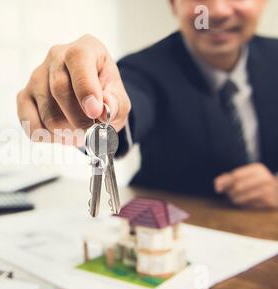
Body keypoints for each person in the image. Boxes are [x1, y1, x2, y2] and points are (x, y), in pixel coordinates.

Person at [17, 0, 278, 209]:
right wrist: (85, 104)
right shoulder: (143, 69)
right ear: (173, 4)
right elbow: (126, 101)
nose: (218, 10)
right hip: (175, 233)